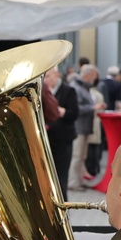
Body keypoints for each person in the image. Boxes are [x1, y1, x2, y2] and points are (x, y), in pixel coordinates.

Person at [44, 67, 78, 201]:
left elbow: (74, 114)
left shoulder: (68, 90)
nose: (45, 80)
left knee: (60, 178)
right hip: (47, 139)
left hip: (63, 140)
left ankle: (63, 210)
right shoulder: (42, 90)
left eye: (47, 76)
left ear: (56, 75)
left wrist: (62, 112)